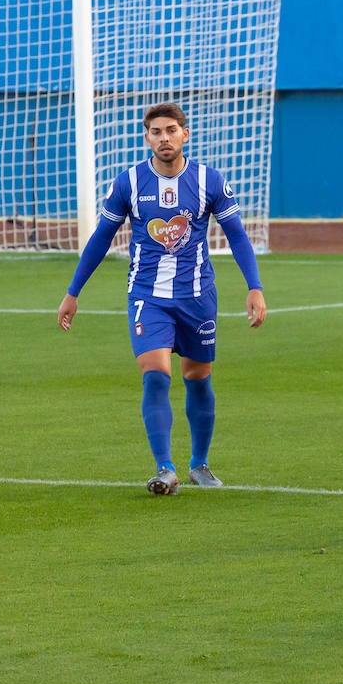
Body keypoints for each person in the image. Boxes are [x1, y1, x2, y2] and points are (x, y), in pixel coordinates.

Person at [58, 102, 267, 495]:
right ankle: (165, 468)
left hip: (197, 296)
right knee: (156, 375)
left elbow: (237, 235)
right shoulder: (129, 183)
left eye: (171, 130)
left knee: (197, 379)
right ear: (146, 137)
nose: (164, 138)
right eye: (156, 132)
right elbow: (101, 239)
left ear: (185, 134)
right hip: (147, 297)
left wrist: (254, 286)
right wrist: (73, 292)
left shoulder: (208, 180)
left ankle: (199, 464)